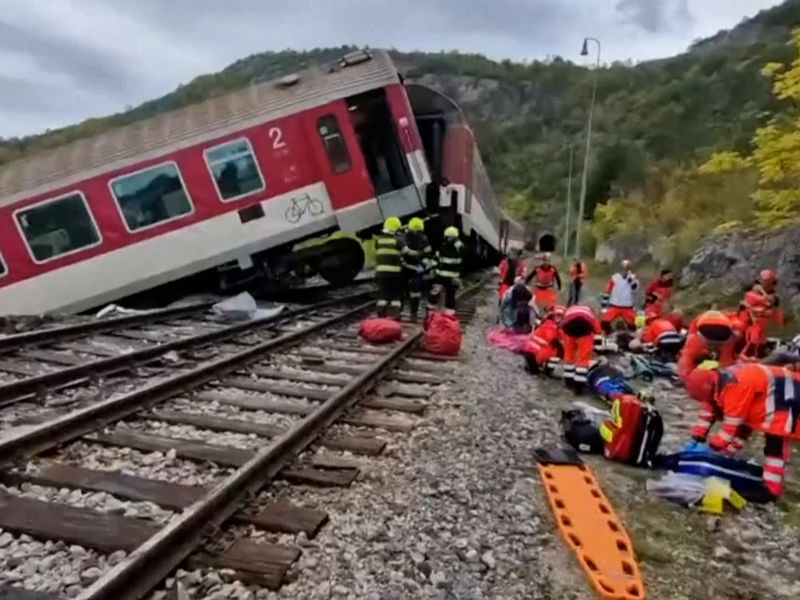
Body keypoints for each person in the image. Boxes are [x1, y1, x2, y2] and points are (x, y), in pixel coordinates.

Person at [685, 363, 800, 498]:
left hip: (786, 401)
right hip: (773, 393)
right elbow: (708, 411)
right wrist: (697, 437)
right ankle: (728, 456)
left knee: (775, 446)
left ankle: (771, 490)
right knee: (744, 427)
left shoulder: (735, 387)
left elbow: (729, 429)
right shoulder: (717, 381)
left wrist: (711, 451)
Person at [677, 310, 739, 381]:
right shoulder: (729, 321)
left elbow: (687, 358)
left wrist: (686, 377)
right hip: (726, 334)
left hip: (708, 331)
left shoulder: (696, 326)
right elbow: (727, 361)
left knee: (688, 358)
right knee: (726, 362)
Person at [738, 270, 783, 359]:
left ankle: (758, 355)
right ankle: (747, 355)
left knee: (760, 338)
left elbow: (773, 309)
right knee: (755, 335)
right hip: (751, 322)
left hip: (762, 323)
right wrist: (761, 310)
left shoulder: (773, 297)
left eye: (769, 282)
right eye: (765, 281)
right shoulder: (752, 294)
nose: (767, 284)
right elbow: (748, 307)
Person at [560, 304, 601, 394]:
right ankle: (578, 386)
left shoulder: (569, 310)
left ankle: (568, 381)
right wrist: (597, 348)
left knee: (569, 355)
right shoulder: (591, 314)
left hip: (568, 328)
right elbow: (598, 331)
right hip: (584, 329)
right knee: (583, 359)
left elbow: (561, 323)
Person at [402, 217, 433, 322]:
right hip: (415, 269)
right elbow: (427, 254)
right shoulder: (423, 239)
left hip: (406, 268)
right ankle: (413, 314)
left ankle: (400, 314)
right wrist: (422, 266)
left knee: (404, 291)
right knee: (414, 292)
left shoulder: (404, 238)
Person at [428, 226, 464, 314]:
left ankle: (430, 315)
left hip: (441, 277)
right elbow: (465, 256)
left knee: (435, 296)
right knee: (450, 298)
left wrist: (433, 270)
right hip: (450, 278)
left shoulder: (443, 246)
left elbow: (434, 260)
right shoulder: (458, 248)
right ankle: (447, 317)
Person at [374, 216, 405, 318]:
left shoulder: (378, 241)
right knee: (396, 296)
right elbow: (406, 254)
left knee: (383, 295)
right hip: (395, 274)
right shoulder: (397, 242)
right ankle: (395, 316)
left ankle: (381, 315)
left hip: (381, 273)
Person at [523, 304, 565, 375]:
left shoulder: (545, 322)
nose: (559, 318)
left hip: (530, 352)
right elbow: (553, 338)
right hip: (536, 353)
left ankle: (535, 366)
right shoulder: (553, 326)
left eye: (561, 316)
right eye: (558, 315)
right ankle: (548, 370)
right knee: (560, 352)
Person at [601, 260, 639, 333]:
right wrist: (604, 307)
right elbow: (607, 291)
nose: (625, 270)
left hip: (627, 306)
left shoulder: (634, 279)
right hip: (615, 305)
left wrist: (630, 279)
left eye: (627, 268)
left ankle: (631, 337)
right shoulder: (615, 278)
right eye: (623, 268)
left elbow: (634, 288)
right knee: (604, 322)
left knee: (633, 325)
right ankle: (607, 335)